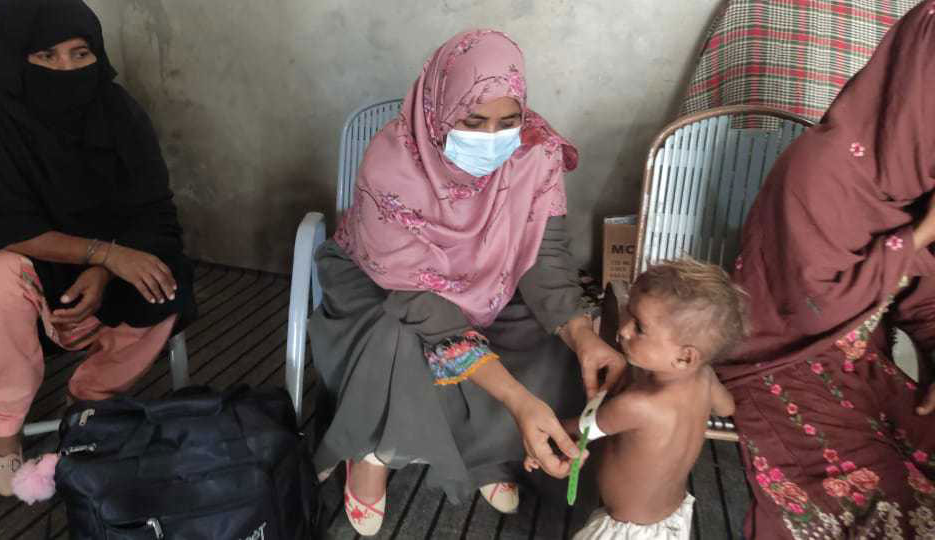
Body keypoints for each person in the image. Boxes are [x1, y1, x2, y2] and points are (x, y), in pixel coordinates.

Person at [309, 30, 623, 536]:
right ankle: (374, 450)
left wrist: (582, 336)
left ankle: (486, 454)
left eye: (509, 121)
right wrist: (519, 401)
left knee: (553, 345)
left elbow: (547, 260)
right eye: (473, 122)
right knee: (396, 339)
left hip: (486, 279)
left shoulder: (534, 154)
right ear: (437, 110)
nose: (493, 137)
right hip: (384, 280)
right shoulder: (393, 162)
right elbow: (418, 301)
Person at [716, 3, 935, 537]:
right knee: (883, 493)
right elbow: (813, 310)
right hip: (781, 360)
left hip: (866, 364)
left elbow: (926, 296)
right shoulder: (820, 173)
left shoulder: (920, 181)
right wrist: (922, 234)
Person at [0, 0, 195, 497]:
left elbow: (153, 209)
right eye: (46, 56)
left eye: (81, 54)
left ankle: (92, 400)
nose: (67, 69)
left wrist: (106, 268)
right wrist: (106, 256)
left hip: (97, 261)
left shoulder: (115, 109)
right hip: (16, 265)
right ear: (14, 56)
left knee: (163, 277)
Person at [538, 260, 746, 540]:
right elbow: (726, 407)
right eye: (628, 313)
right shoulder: (705, 376)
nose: (624, 330)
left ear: (684, 357)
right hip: (672, 517)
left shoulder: (639, 405)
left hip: (626, 531)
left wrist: (539, 432)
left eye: (640, 327)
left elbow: (579, 428)